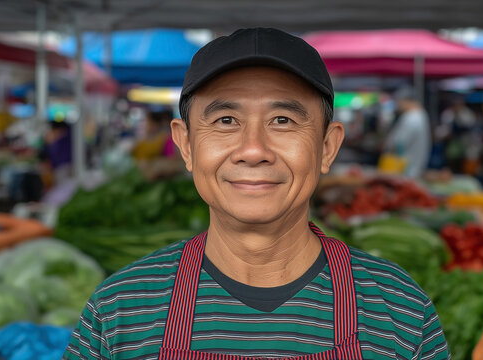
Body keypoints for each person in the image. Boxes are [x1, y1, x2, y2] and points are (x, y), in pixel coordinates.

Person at [64, 28, 450, 360]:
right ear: (185, 145)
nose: (253, 150)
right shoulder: (119, 311)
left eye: (282, 120)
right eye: (225, 120)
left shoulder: (400, 310)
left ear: (327, 147)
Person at [384, 87, 432, 178]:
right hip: (415, 167)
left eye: (398, 101)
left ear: (406, 100)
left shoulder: (411, 118)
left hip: (405, 170)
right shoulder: (422, 115)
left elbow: (398, 142)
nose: (397, 105)